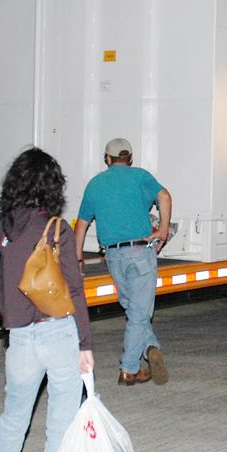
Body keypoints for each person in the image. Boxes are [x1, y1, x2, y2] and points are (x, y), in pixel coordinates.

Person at [0, 147, 94, 452]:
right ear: (51, 186)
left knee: (14, 416)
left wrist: (11, 313)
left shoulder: (2, 229)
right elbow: (75, 291)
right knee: (60, 426)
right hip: (59, 331)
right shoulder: (57, 229)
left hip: (20, 338)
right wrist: (85, 344)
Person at [73, 137, 172, 386]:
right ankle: (129, 369)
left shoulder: (95, 184)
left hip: (113, 254)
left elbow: (82, 225)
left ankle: (150, 346)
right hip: (140, 252)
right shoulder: (141, 176)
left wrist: (78, 258)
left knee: (132, 308)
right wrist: (163, 230)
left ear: (107, 159)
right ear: (130, 158)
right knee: (139, 313)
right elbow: (165, 197)